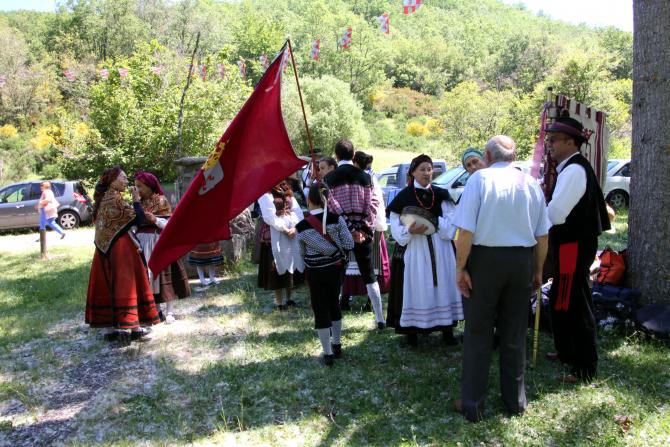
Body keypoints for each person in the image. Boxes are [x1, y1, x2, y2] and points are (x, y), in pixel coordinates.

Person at [452, 136, 549, 422]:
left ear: (487, 155)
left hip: (485, 261)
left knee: (478, 331)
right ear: (513, 156)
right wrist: (538, 269)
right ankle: (515, 401)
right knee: (514, 332)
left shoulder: (479, 180)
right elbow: (543, 235)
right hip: (521, 261)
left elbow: (465, 231)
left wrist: (460, 268)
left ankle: (473, 404)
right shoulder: (530, 183)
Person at [544, 115, 611, 383]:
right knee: (561, 297)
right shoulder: (571, 168)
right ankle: (567, 352)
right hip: (570, 244)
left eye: (554, 140)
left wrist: (536, 219)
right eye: (549, 140)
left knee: (575, 301)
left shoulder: (574, 170)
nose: (550, 145)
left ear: (571, 142)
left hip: (573, 245)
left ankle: (584, 367)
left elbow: (556, 213)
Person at [386, 154, 462, 346]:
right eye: (422, 169)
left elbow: (452, 225)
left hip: (441, 248)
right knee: (417, 285)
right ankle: (413, 330)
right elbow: (396, 227)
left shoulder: (441, 194)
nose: (427, 173)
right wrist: (409, 231)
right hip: (416, 249)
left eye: (429, 169)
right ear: (413, 172)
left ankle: (447, 329)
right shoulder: (404, 197)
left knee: (443, 284)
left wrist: (433, 222)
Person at [85, 167, 161, 341]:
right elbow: (139, 219)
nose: (127, 181)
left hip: (105, 248)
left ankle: (114, 327)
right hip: (119, 248)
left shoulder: (105, 198)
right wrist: (136, 200)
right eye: (124, 178)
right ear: (113, 181)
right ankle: (131, 326)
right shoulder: (115, 200)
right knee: (126, 283)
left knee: (109, 283)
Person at [325, 139, 386, 329]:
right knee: (369, 275)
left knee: (338, 274)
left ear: (336, 156)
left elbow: (333, 206)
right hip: (363, 233)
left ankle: (333, 317)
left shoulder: (329, 179)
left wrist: (350, 229)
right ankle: (380, 318)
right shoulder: (367, 177)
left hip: (341, 232)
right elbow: (373, 205)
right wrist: (361, 229)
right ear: (353, 155)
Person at [296, 183, 354, 366]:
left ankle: (327, 353)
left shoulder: (301, 226)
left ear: (309, 200)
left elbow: (301, 252)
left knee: (320, 308)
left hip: (315, 272)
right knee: (334, 304)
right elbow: (349, 244)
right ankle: (337, 345)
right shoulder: (337, 219)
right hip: (336, 269)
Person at [134, 171, 191, 324]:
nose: (137, 189)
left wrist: (155, 220)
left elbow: (169, 225)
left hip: (158, 241)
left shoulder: (161, 201)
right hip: (142, 243)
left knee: (165, 276)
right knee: (150, 277)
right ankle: (157, 310)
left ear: (149, 186)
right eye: (136, 186)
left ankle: (170, 311)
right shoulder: (138, 203)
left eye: (140, 186)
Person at [340, 151, 391, 311]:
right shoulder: (369, 178)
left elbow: (373, 205)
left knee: (365, 263)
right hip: (366, 226)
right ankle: (357, 300)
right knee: (365, 264)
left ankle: (359, 300)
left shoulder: (364, 179)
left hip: (361, 227)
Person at [257, 180, 305, 310]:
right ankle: (279, 302)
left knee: (291, 263)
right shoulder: (265, 193)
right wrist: (284, 229)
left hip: (292, 233)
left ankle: (289, 298)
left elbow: (298, 211)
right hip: (275, 234)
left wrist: (295, 228)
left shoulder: (286, 189)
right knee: (277, 266)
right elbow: (269, 216)